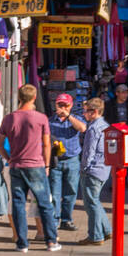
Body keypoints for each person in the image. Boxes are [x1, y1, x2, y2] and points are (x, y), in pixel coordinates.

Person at [0, 84, 60, 252]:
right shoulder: (41, 118)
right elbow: (46, 144)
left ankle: (22, 243)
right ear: (34, 98)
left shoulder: (9, 118)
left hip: (16, 165)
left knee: (18, 204)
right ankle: (51, 241)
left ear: (19, 97)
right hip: (36, 165)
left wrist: (9, 158)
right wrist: (46, 165)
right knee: (44, 203)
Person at [48, 92, 85, 233]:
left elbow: (82, 128)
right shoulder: (50, 120)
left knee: (71, 191)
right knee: (55, 193)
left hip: (72, 160)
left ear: (71, 106)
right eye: (60, 105)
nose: (63, 107)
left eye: (66, 105)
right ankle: (55, 220)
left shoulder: (77, 119)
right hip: (56, 160)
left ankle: (66, 219)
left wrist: (68, 116)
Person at [78, 97, 111, 245]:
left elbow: (88, 152)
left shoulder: (93, 128)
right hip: (104, 168)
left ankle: (95, 236)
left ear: (95, 112)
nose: (84, 114)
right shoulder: (105, 125)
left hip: (93, 170)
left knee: (91, 204)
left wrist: (83, 168)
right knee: (95, 201)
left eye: (86, 111)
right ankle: (107, 230)